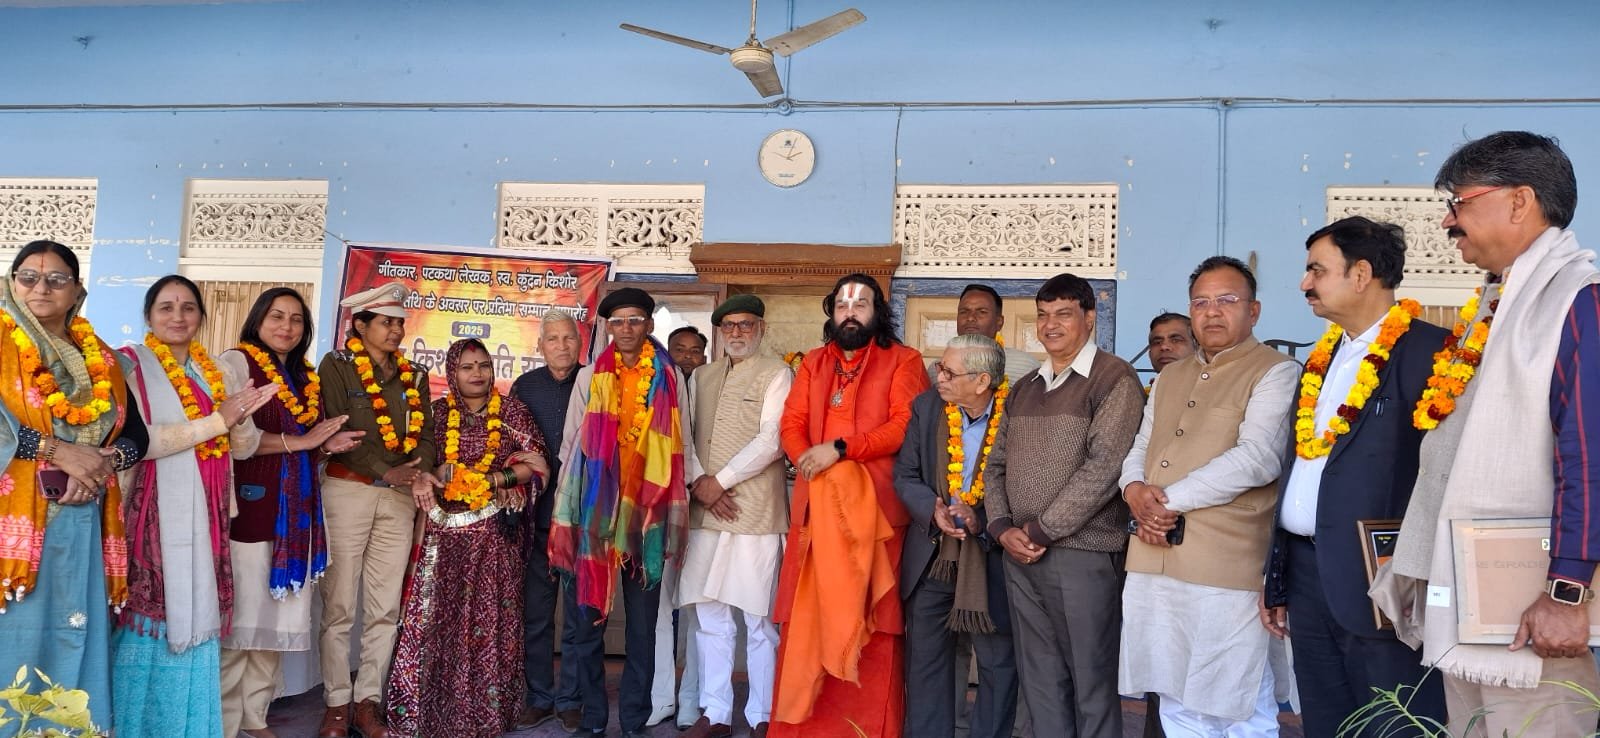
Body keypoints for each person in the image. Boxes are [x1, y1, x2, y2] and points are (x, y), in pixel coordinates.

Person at [1372, 131, 1600, 736]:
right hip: (1474, 601)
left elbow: (1589, 458)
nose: (1448, 221)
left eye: (1460, 203)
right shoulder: (1497, 306)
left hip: (1536, 611)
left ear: (1520, 201)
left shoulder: (1578, 304)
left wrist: (1568, 591)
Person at [1258, 217, 1449, 737]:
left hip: (1384, 580)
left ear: (1361, 274)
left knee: (1396, 722)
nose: (1305, 283)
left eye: (1317, 270)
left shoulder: (1431, 353)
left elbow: (1441, 473)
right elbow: (1301, 470)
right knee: (1325, 720)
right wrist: (1277, 576)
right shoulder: (1323, 359)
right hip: (1307, 572)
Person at [1119, 257, 1298, 737]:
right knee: (1173, 695)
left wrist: (1164, 502)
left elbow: (1258, 457)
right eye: (1201, 302)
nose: (1212, 312)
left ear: (1254, 310)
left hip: (1225, 563)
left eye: (1226, 300)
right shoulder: (1170, 376)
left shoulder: (1277, 371)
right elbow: (1142, 445)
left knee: (1236, 702)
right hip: (1153, 557)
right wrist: (1133, 489)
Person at [113, 274, 279, 738]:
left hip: (209, 507)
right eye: (166, 307)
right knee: (151, 614)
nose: (178, 316)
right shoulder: (129, 366)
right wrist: (217, 421)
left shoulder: (217, 371)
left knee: (197, 609)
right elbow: (140, 443)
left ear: (202, 317)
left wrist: (239, 417)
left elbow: (242, 448)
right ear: (148, 316)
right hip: (151, 509)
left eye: (188, 307)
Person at [984, 273, 1146, 738]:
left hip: (1082, 554)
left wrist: (1039, 530)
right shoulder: (1025, 387)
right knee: (1041, 682)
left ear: (1089, 318)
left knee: (1090, 683)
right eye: (1042, 315)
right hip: (1020, 555)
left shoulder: (1114, 378)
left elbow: (1105, 468)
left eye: (1063, 314)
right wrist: (1001, 528)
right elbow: (995, 465)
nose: (1050, 325)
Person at [771, 273, 930, 738]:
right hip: (817, 514)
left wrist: (840, 449)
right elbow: (792, 422)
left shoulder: (903, 360)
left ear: (877, 311)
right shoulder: (814, 362)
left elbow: (904, 425)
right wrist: (808, 459)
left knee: (873, 624)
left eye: (861, 304)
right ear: (831, 312)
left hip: (877, 518)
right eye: (842, 305)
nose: (850, 313)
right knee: (809, 621)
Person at [0, 241, 148, 734]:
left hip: (83, 522)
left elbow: (136, 435)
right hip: (13, 525)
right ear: (12, 283)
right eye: (28, 277)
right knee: (14, 636)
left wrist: (100, 466)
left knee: (74, 629)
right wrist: (56, 451)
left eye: (56, 279)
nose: (40, 288)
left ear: (77, 291)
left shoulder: (101, 357)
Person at [549, 287, 699, 738]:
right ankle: (593, 718)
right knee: (587, 622)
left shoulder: (669, 378)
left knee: (643, 628)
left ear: (649, 325)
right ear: (607, 327)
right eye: (618, 321)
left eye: (636, 320)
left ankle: (633, 720)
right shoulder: (589, 377)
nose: (627, 328)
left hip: (647, 516)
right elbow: (571, 447)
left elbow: (683, 445)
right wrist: (570, 511)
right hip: (595, 514)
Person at [385, 338, 549, 737]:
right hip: (441, 533)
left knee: (490, 618)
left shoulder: (512, 411)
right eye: (467, 367)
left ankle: (486, 713)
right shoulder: (436, 414)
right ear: (452, 372)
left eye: (483, 365)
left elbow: (537, 462)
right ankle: (424, 711)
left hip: (494, 535)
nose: (477, 373)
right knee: (435, 618)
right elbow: (417, 462)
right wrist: (437, 473)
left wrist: (496, 479)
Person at [218, 288, 362, 738]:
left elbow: (308, 443)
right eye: (277, 316)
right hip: (252, 507)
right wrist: (303, 441)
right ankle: (222, 721)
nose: (286, 327)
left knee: (275, 619)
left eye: (296, 319)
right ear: (258, 320)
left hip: (296, 515)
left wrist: (325, 445)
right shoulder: (236, 363)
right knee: (244, 617)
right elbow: (230, 437)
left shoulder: (303, 377)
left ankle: (255, 716)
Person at [316, 283, 439, 738]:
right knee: (339, 605)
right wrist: (387, 471)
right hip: (348, 491)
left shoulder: (415, 374)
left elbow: (427, 437)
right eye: (386, 323)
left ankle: (368, 701)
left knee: (385, 608)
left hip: (399, 498)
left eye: (400, 323)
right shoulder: (337, 365)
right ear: (361, 325)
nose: (396, 331)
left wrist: (416, 472)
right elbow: (338, 428)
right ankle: (336, 703)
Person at [897, 334, 1025, 738]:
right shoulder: (928, 407)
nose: (939, 377)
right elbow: (905, 475)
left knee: (998, 665)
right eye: (940, 367)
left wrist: (981, 519)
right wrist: (932, 510)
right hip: (934, 555)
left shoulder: (1017, 413)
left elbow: (1025, 488)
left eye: (949, 372)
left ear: (982, 381)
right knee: (926, 664)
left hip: (991, 558)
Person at [679, 295, 793, 738]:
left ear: (762, 328)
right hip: (705, 511)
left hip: (754, 512)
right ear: (719, 332)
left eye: (746, 324)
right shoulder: (702, 376)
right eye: (729, 326)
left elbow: (772, 440)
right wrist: (698, 482)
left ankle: (762, 714)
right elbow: (684, 436)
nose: (737, 333)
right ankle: (716, 713)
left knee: (758, 619)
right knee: (709, 615)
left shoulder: (777, 373)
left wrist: (719, 482)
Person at [510, 309, 586, 733]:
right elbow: (510, 447)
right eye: (553, 339)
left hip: (581, 520)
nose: (561, 346)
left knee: (578, 614)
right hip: (536, 518)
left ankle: (571, 698)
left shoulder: (595, 383)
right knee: (536, 615)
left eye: (568, 338)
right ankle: (539, 697)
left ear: (580, 342)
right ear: (540, 346)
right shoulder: (525, 388)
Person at [927, 285, 1041, 385]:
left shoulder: (1025, 366)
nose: (970, 318)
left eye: (982, 312)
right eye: (964, 312)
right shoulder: (938, 368)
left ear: (999, 322)